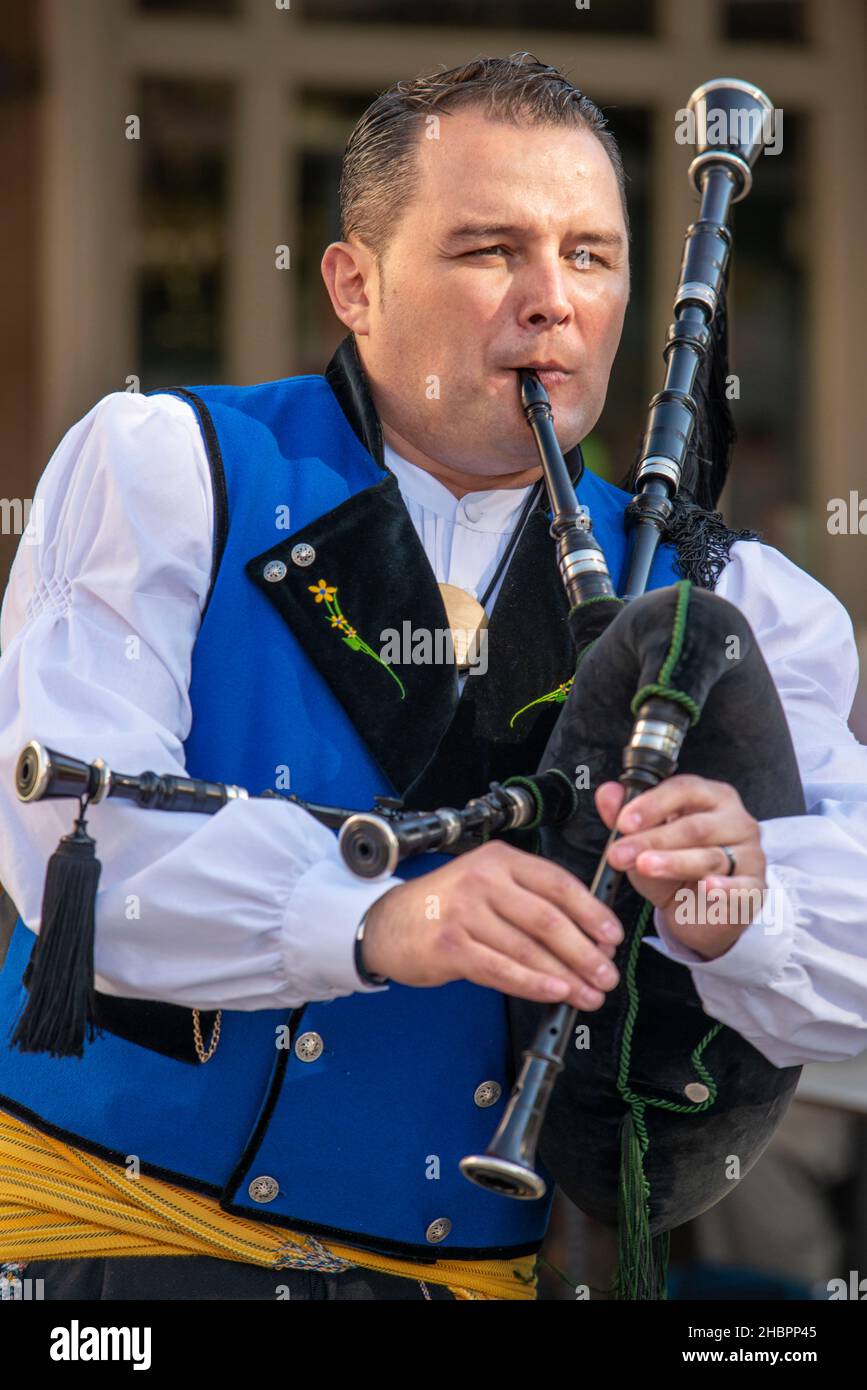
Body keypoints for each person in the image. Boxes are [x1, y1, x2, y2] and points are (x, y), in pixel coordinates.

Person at [0, 54, 866, 1304]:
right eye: (486, 250)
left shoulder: (722, 603)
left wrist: (743, 905)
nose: (550, 302)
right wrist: (377, 921)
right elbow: (68, 838)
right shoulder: (176, 470)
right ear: (351, 282)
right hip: (102, 1249)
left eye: (590, 255)